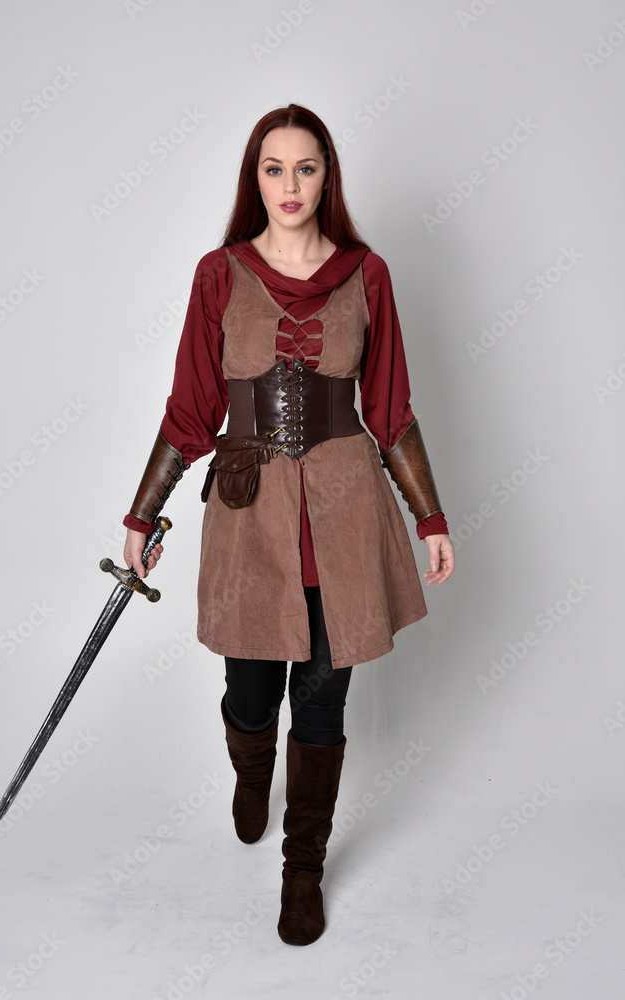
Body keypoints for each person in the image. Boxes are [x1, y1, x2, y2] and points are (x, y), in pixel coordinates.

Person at [122, 104, 455, 946]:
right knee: (251, 691)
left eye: (306, 167)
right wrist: (142, 513)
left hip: (345, 514)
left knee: (322, 696)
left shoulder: (367, 273)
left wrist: (430, 517)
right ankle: (251, 769)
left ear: (327, 176)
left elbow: (390, 409)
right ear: (255, 178)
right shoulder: (219, 274)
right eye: (274, 168)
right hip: (249, 514)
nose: (290, 184)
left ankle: (301, 867)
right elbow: (191, 409)